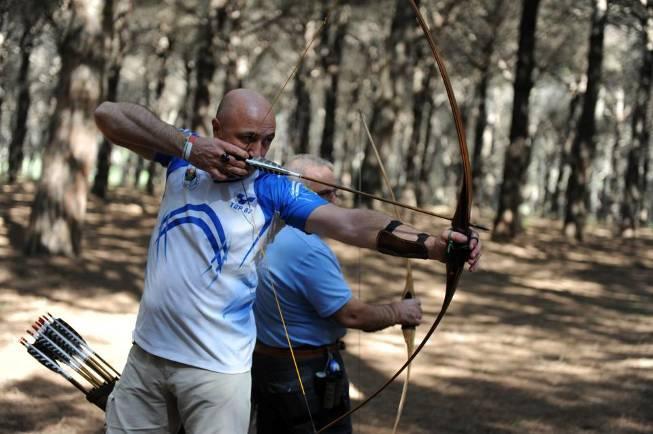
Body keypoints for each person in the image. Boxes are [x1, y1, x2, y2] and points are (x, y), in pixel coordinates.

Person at [93, 88, 481, 434]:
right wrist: (188, 146)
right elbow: (108, 115)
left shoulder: (272, 187)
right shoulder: (182, 159)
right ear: (217, 127)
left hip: (217, 370)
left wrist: (433, 246)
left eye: (267, 141)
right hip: (147, 353)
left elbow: (349, 223)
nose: (257, 152)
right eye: (247, 139)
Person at [252, 154, 424, 433]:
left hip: (267, 367)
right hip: (304, 376)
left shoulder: (263, 227)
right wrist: (399, 311)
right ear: (296, 195)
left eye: (336, 192)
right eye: (325, 194)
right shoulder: (306, 248)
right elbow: (352, 315)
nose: (335, 202)